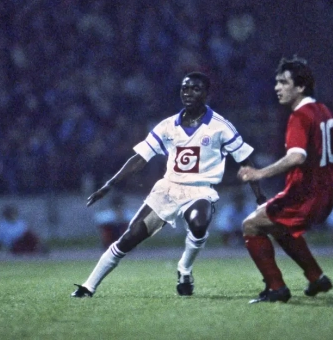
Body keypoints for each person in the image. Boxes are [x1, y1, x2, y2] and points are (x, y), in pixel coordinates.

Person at [71, 71, 265, 298]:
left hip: (200, 189)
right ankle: (88, 286)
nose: (188, 93)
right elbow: (140, 158)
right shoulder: (167, 125)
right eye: (185, 88)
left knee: (199, 223)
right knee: (130, 238)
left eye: (195, 89)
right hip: (168, 189)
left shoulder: (221, 126)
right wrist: (109, 184)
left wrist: (259, 196)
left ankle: (184, 268)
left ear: (206, 93)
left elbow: (245, 160)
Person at [238, 56, 333, 303]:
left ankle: (276, 288)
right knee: (278, 227)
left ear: (300, 87)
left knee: (251, 225)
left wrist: (259, 173)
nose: (277, 88)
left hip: (304, 195)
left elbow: (297, 157)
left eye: (283, 82)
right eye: (276, 82)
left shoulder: (300, 116)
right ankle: (316, 277)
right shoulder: (324, 111)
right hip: (325, 197)